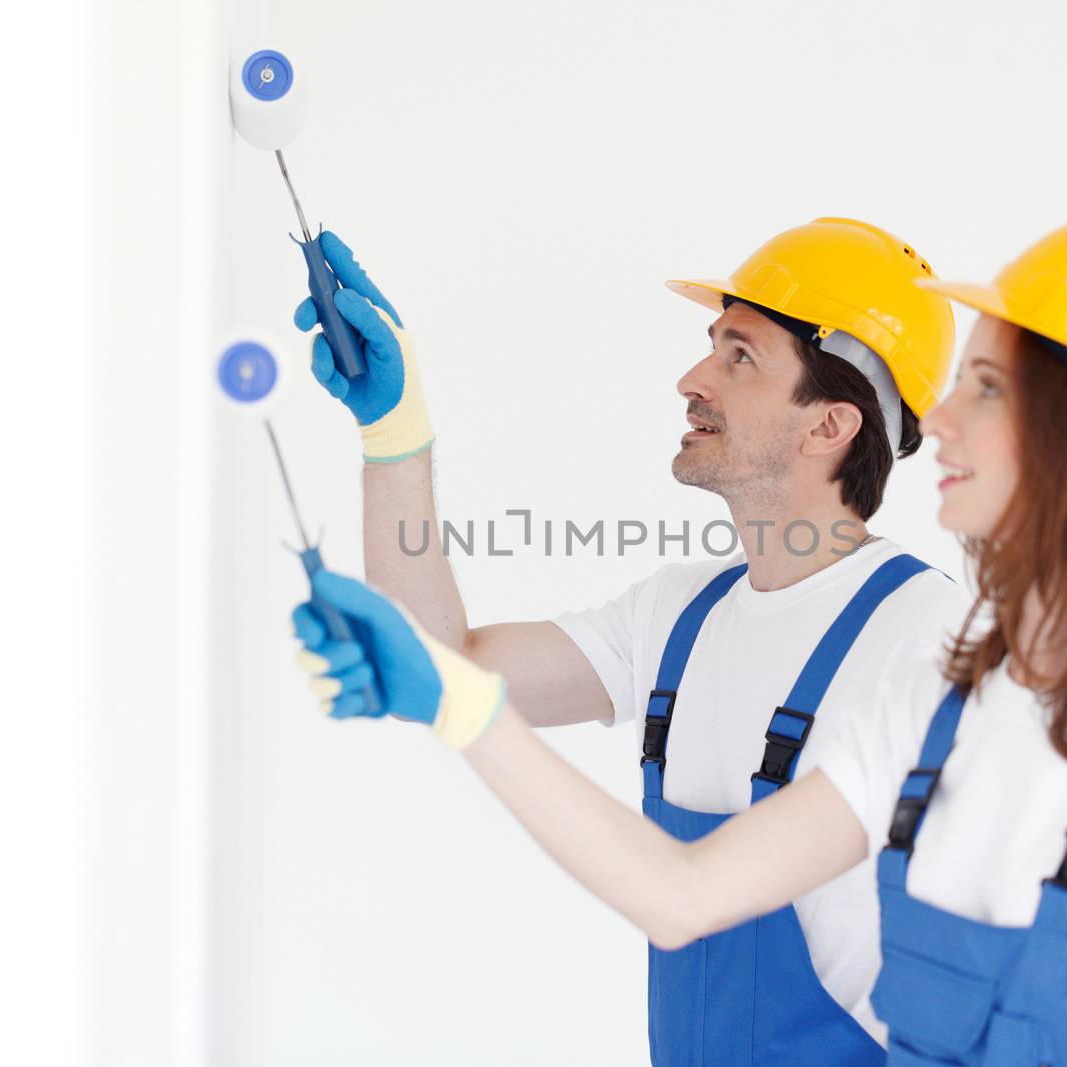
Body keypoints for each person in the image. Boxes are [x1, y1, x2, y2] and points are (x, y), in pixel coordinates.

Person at [294, 210, 1067, 1065]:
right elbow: (673, 889)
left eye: (989, 387)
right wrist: (398, 438)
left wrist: (459, 702)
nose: (944, 419)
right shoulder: (931, 703)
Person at [294, 218, 969, 1062]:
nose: (693, 379)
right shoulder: (679, 618)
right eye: (710, 348)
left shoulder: (926, 641)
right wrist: (396, 433)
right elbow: (439, 664)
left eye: (740, 357)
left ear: (830, 426)